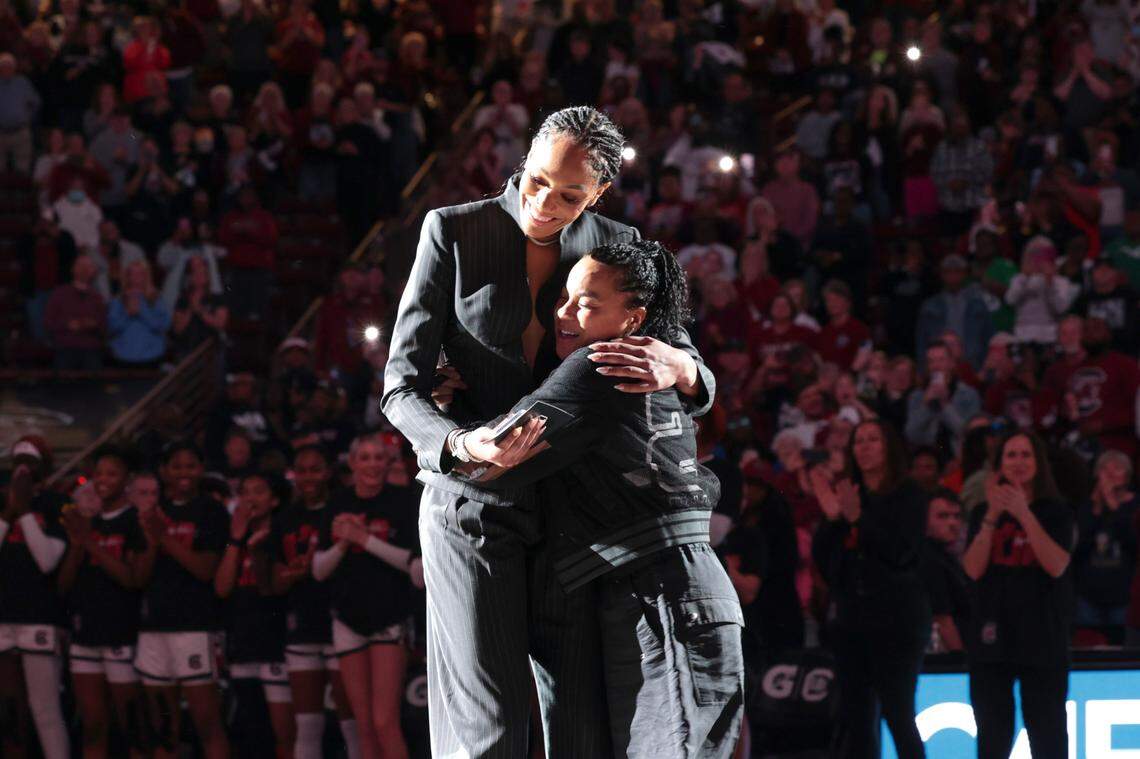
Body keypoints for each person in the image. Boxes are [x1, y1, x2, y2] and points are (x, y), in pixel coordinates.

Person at [382, 106, 714, 757]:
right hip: (473, 504)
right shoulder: (452, 230)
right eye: (536, 180)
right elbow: (401, 386)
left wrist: (679, 365)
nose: (543, 203)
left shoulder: (615, 240)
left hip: (573, 514)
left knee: (581, 728)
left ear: (599, 193)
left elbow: (689, 368)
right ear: (525, 157)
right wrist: (460, 443)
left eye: (569, 194)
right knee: (493, 732)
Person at [453, 240, 744, 756]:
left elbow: (491, 457)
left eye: (585, 303)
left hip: (663, 589)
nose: (563, 313)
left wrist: (445, 421)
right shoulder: (657, 350)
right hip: (668, 585)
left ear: (633, 319)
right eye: (564, 296)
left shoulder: (599, 363)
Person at [810, 419, 931, 759]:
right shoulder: (849, 493)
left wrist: (857, 519)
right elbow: (826, 563)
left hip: (899, 622)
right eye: (858, 441)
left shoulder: (908, 494)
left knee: (898, 714)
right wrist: (834, 518)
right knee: (857, 720)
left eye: (872, 440)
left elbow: (901, 553)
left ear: (888, 446)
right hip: (852, 623)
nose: (863, 447)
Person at [962, 432, 1073, 759]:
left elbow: (1057, 565)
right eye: (1011, 455)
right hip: (991, 636)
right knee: (992, 738)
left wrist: (1024, 513)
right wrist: (992, 516)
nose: (1019, 462)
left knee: (1048, 735)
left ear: (1038, 463)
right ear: (999, 466)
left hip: (1043, 635)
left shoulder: (1056, 511)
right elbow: (972, 568)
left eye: (1026, 455)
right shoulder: (982, 511)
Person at [311, 434, 421, 759]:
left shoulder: (403, 500)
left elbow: (414, 567)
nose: (372, 464)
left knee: (384, 719)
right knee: (363, 723)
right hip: (347, 618)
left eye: (379, 458)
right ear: (353, 463)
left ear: (388, 463)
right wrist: (344, 543)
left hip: (390, 616)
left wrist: (364, 538)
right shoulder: (338, 502)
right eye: (365, 457)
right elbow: (318, 570)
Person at [134, 440, 230, 759]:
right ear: (164, 471)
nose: (183, 472)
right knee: (161, 726)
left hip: (194, 626)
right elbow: (140, 576)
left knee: (207, 722)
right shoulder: (152, 513)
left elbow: (205, 570)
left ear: (201, 469)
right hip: (153, 627)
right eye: (176, 466)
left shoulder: (211, 510)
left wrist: (164, 538)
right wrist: (151, 540)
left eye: (190, 465)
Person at [58, 451, 150, 759]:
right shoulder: (87, 522)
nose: (103, 480)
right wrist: (76, 544)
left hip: (121, 632)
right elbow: (64, 584)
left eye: (112, 473)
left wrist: (90, 543)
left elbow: (132, 578)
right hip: (85, 633)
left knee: (132, 726)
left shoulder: (133, 521)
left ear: (126, 480)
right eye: (99, 473)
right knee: (93, 726)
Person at [271, 446, 360, 759]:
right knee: (307, 725)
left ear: (328, 472)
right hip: (302, 624)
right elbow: (274, 580)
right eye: (302, 470)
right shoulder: (284, 518)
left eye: (315, 469)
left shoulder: (341, 509)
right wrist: (291, 573)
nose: (308, 476)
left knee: (352, 724)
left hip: (340, 621)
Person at [0, 437, 71, 759]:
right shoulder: (1, 503)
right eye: (18, 462)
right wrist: (7, 514)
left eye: (31, 462)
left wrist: (25, 512)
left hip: (40, 616)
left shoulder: (56, 504)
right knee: (10, 710)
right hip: (4, 617)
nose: (23, 469)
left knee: (44, 709)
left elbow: (46, 561)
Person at [215, 472, 294, 759]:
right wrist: (237, 539)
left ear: (273, 500)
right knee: (250, 731)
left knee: (284, 734)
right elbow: (222, 588)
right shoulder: (232, 537)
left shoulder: (282, 534)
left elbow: (270, 590)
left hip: (276, 645)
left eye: (258, 491)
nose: (250, 498)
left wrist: (257, 550)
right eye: (245, 491)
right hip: (242, 645)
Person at [1072, 449, 1137, 636]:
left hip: (1124, 596)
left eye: (1117, 468)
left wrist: (1114, 507)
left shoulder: (1135, 506)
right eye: (1104, 469)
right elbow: (1078, 548)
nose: (1109, 474)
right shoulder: (1085, 507)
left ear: (1127, 475)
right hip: (1088, 596)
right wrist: (1097, 509)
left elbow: (1133, 543)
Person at [920, 489, 969, 652]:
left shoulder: (946, 557)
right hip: (942, 654)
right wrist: (960, 658)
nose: (953, 523)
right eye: (942, 516)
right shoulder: (928, 559)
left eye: (957, 516)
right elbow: (942, 618)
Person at [107, 259, 172, 366]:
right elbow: (111, 329)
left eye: (140, 273)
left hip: (152, 357)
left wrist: (142, 312)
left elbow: (164, 326)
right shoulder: (117, 301)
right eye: (132, 273)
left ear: (146, 276)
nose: (136, 277)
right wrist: (127, 314)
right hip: (122, 358)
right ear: (127, 276)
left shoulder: (156, 299)